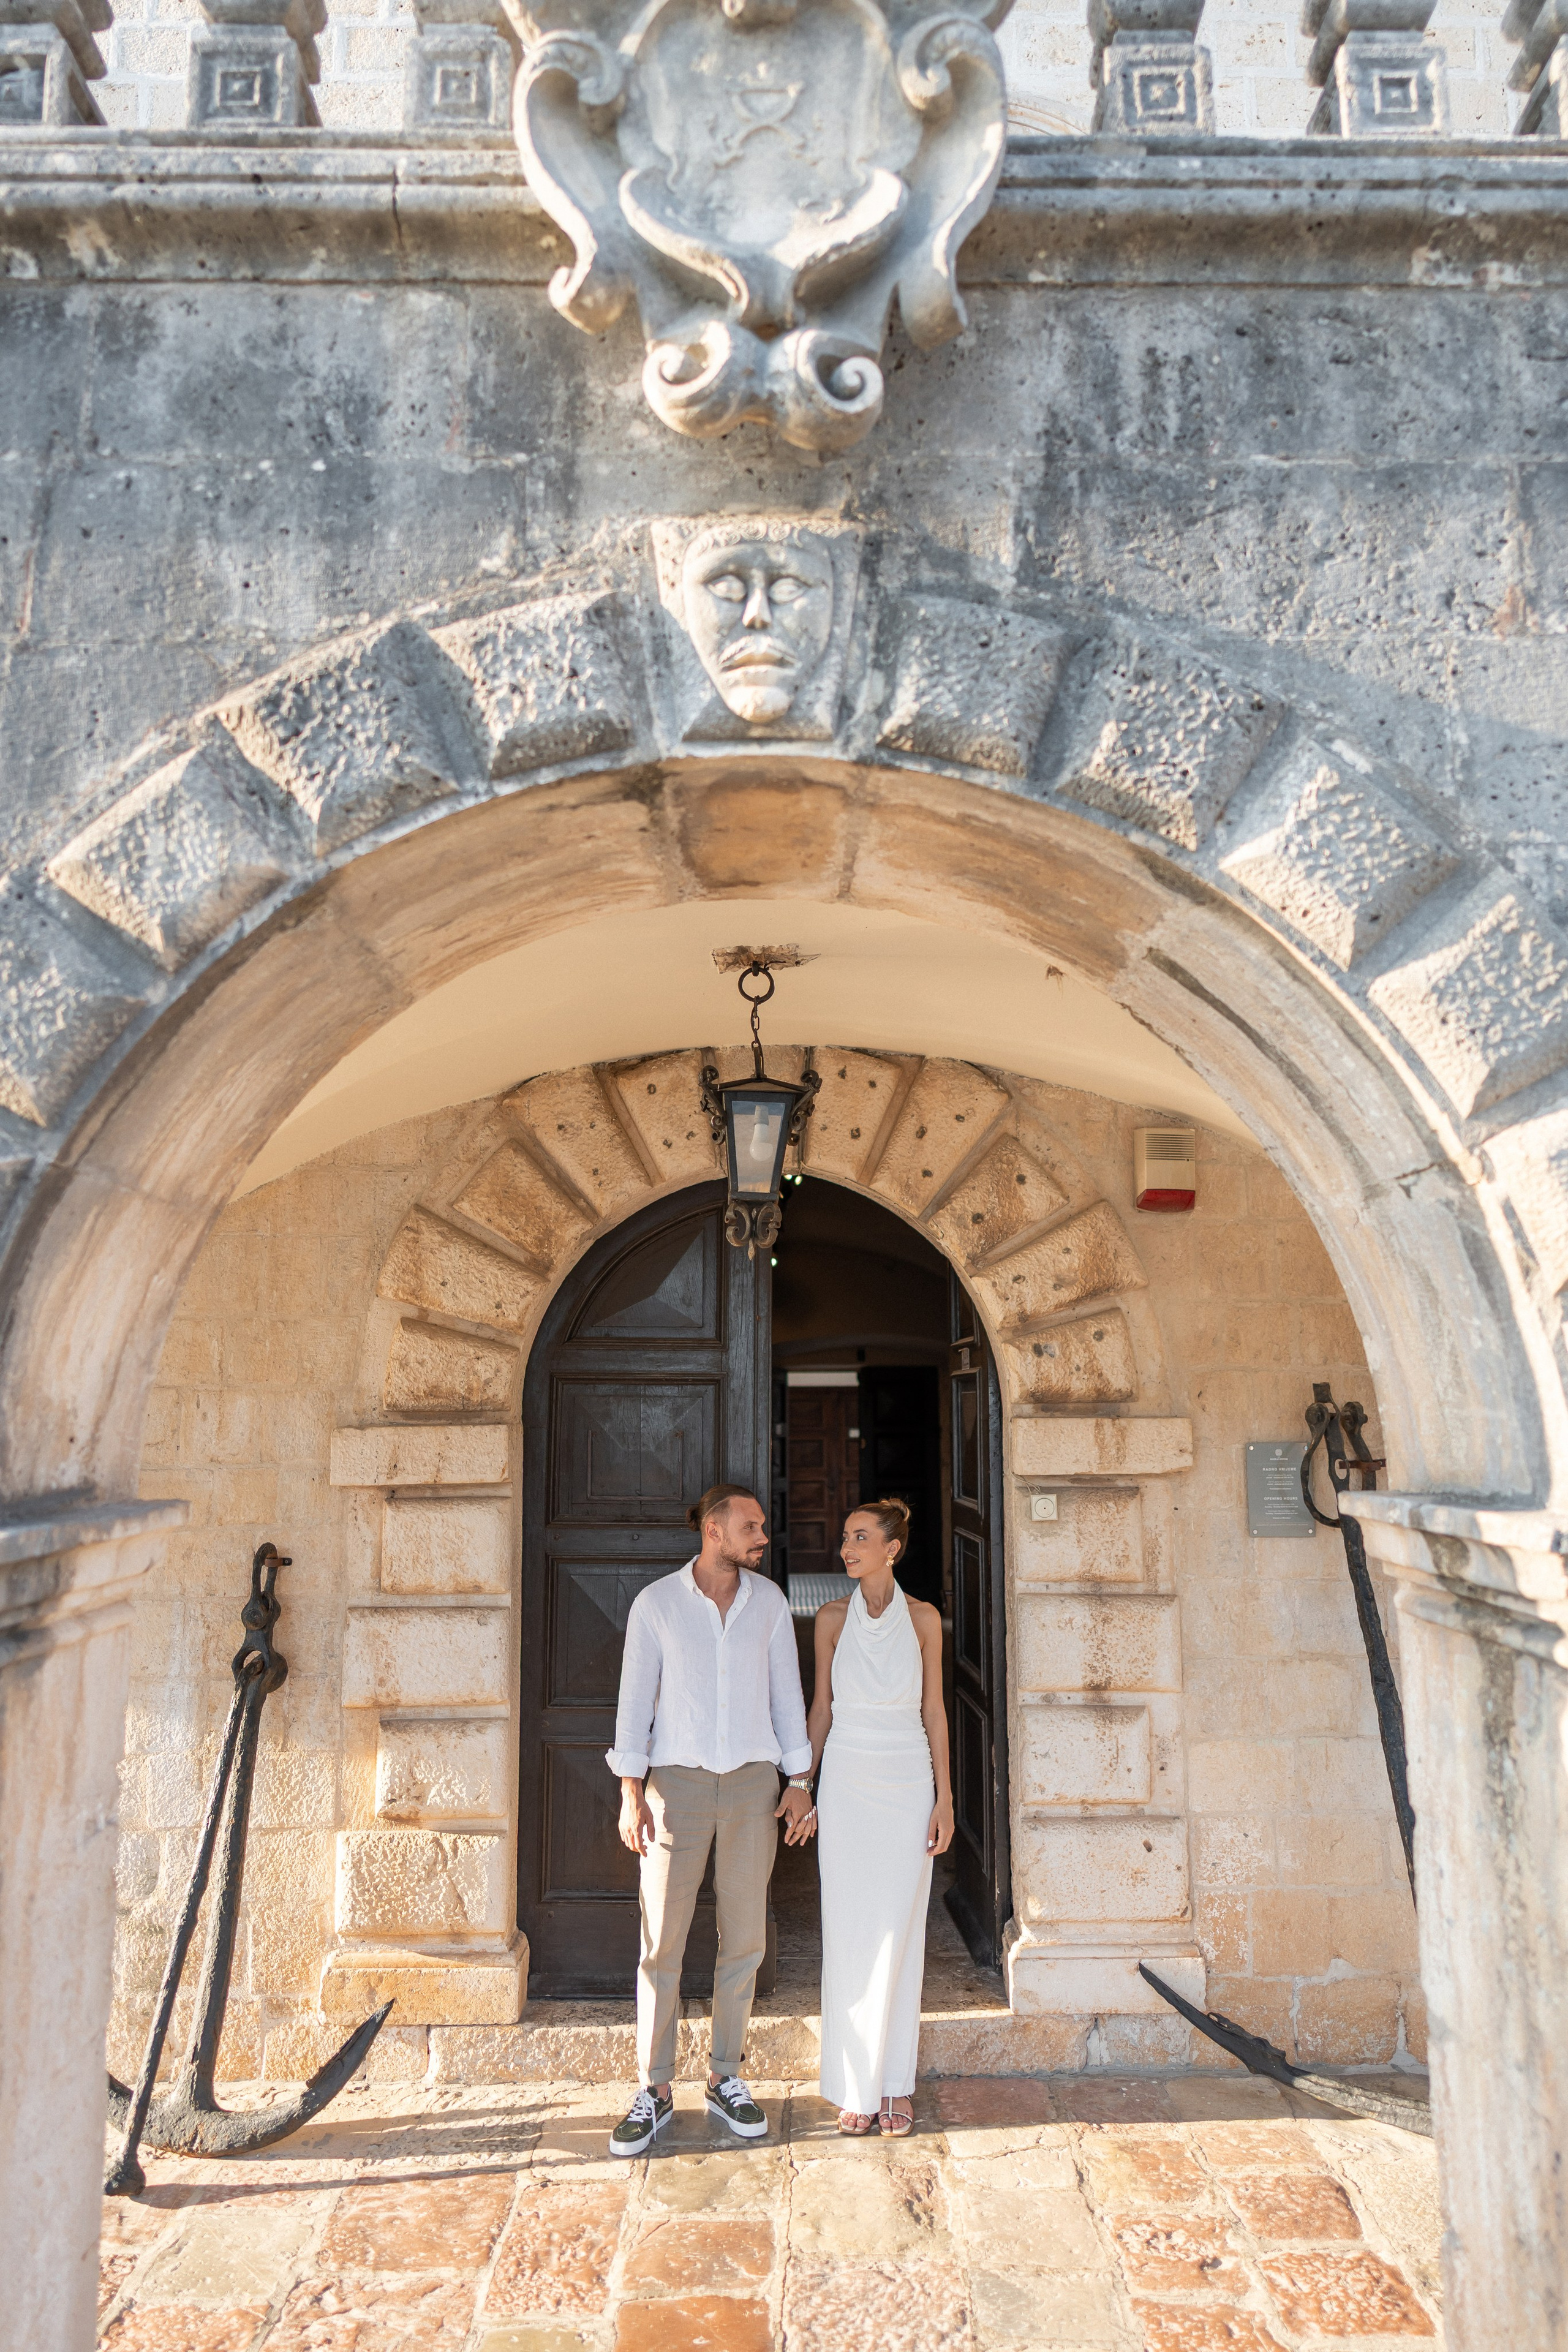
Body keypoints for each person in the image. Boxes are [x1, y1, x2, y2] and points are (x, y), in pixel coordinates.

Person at [604, 1484, 816, 2157]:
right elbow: (633, 1702)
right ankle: (655, 2088)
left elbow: (789, 1695)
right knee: (661, 1942)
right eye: (750, 1526)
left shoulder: (771, 1603)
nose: (761, 1536)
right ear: (714, 1531)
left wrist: (800, 1781)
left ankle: (726, 2075)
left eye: (761, 1526)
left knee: (744, 1939)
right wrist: (630, 1792)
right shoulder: (658, 1605)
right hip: (676, 1789)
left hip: (754, 1786)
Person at [807, 1499, 954, 2137]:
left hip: (906, 1778)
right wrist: (800, 1784)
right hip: (845, 1779)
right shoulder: (829, 1619)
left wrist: (944, 1798)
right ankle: (854, 2086)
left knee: (899, 1930)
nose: (847, 1547)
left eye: (860, 1537)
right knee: (848, 1930)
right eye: (845, 1537)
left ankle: (895, 2084)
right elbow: (820, 1710)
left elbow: (935, 1712)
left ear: (892, 1548)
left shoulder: (924, 1620)